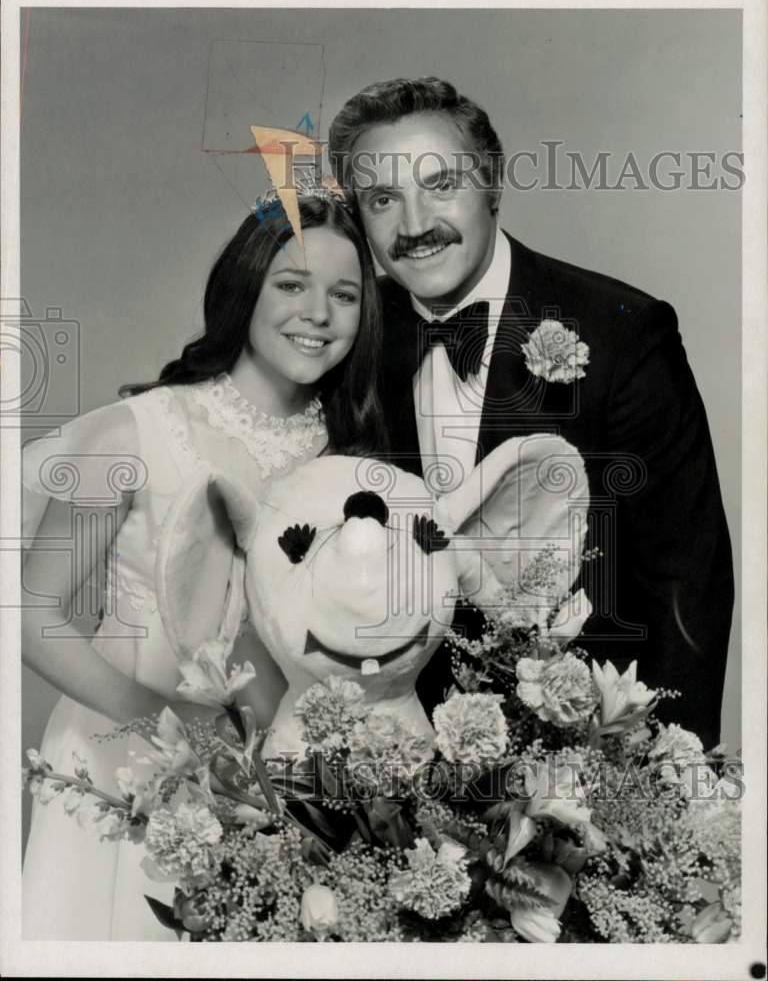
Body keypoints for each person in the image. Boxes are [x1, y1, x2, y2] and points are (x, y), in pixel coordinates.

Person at [21, 186, 387, 940]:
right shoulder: (137, 430)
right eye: (291, 285)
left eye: (344, 295)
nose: (317, 314)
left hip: (279, 780)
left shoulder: (351, 460)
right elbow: (26, 613)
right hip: (121, 752)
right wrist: (169, 724)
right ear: (243, 289)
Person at [328, 76, 734, 748]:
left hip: (581, 759)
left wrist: (668, 780)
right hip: (395, 759)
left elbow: (686, 580)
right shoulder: (350, 332)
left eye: (441, 184)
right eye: (382, 199)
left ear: (493, 183)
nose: (414, 225)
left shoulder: (622, 334)